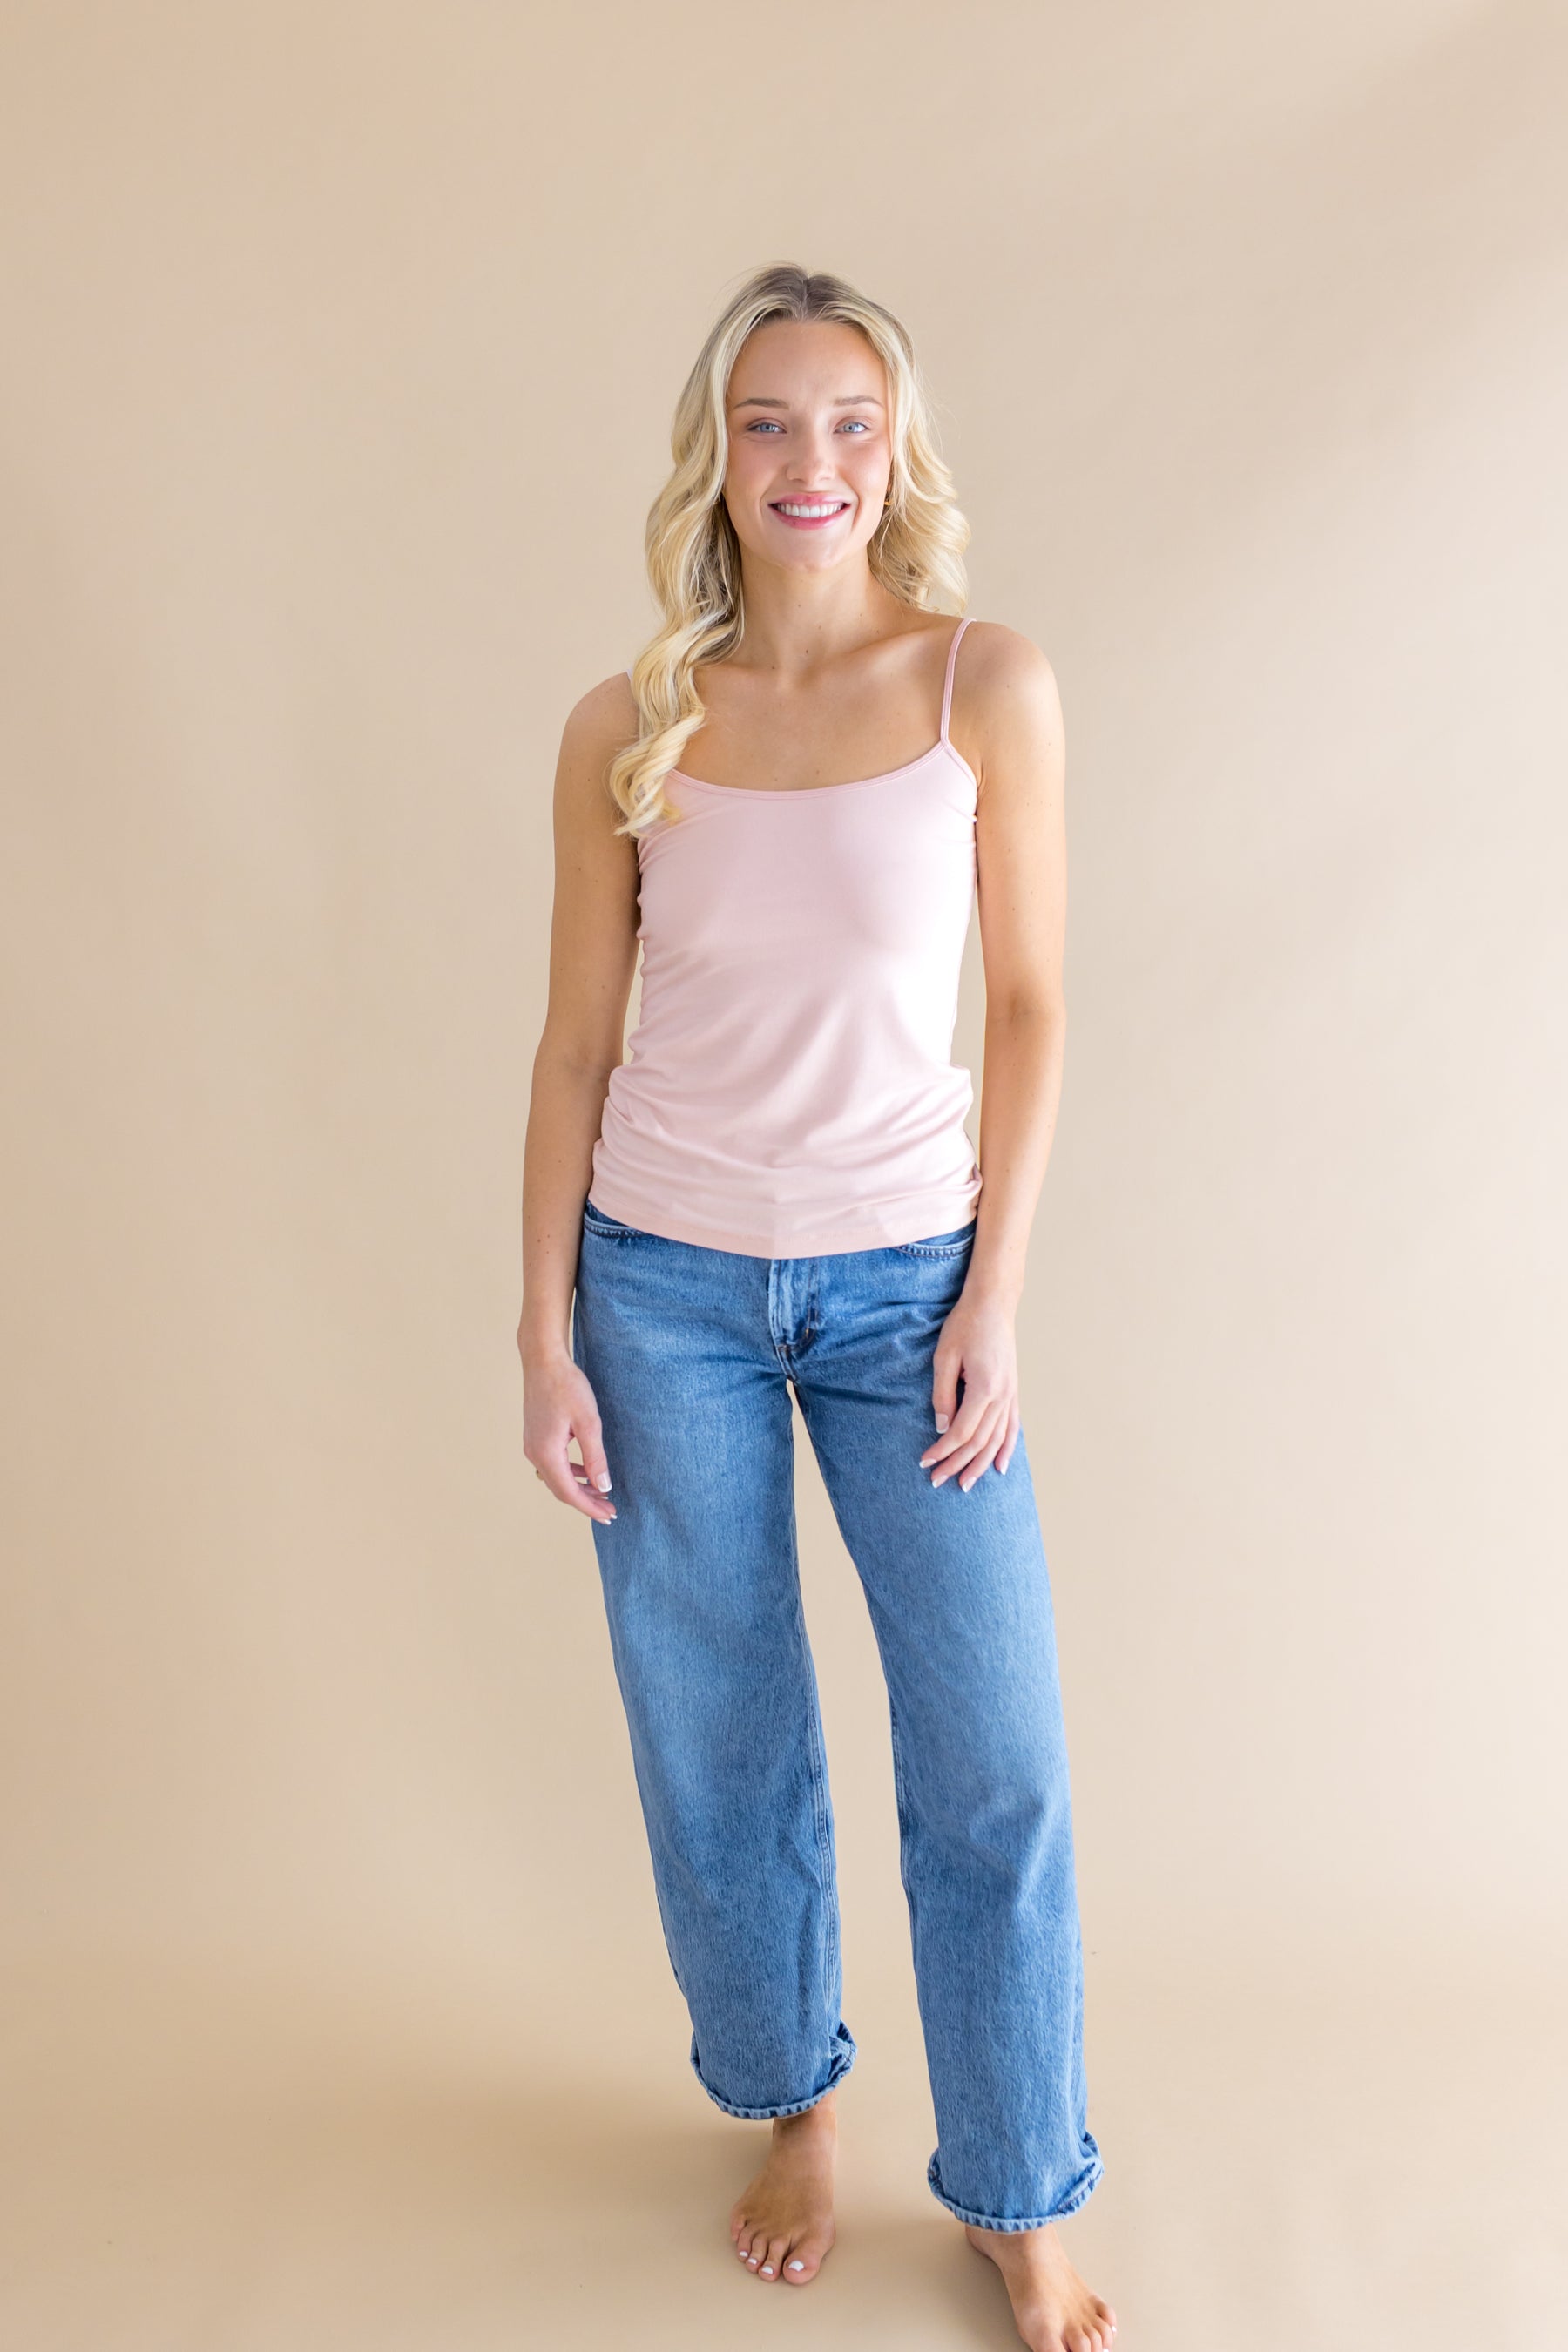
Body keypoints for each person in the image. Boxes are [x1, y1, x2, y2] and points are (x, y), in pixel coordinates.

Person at [517, 261, 1115, 2352]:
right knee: (720, 1740)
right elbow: (575, 1052)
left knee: (994, 1758)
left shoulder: (982, 689)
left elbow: (1031, 1007)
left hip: (906, 1288)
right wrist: (542, 1329)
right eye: (771, 423)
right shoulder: (630, 725)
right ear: (719, 453)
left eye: (851, 424)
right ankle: (794, 2106)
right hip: (659, 1287)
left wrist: (998, 1293)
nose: (813, 464)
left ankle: (1019, 2187)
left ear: (898, 453)